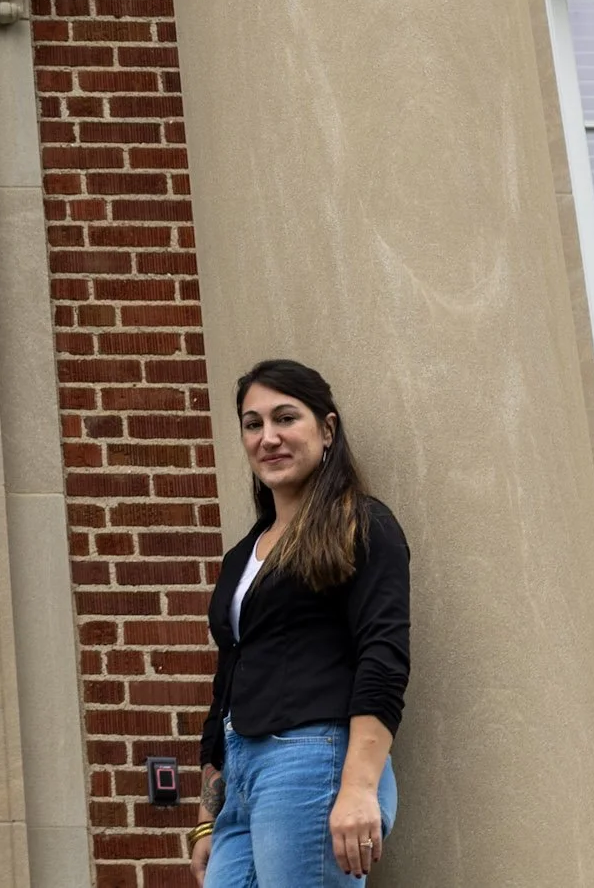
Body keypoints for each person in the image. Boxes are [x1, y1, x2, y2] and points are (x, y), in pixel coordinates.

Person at [190, 359, 410, 886]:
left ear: (327, 429)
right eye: (253, 423)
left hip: (314, 762)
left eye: (285, 418)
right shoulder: (245, 553)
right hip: (242, 779)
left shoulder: (361, 524)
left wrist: (358, 787)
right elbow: (229, 681)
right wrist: (207, 816)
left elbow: (383, 655)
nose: (268, 437)